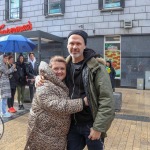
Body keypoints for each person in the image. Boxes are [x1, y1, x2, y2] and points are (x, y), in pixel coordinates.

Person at [36, 30, 115, 150]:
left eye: (78, 44)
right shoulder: (65, 66)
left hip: (91, 124)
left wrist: (99, 128)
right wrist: (40, 77)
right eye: (71, 43)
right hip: (71, 124)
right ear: (67, 45)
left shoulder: (96, 68)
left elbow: (106, 99)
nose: (75, 47)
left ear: (85, 45)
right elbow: (51, 76)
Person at [25, 56, 88, 150]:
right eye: (56, 68)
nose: (59, 71)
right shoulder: (44, 85)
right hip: (43, 139)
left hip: (55, 138)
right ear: (50, 70)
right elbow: (56, 105)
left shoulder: (62, 83)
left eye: (62, 68)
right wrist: (82, 103)